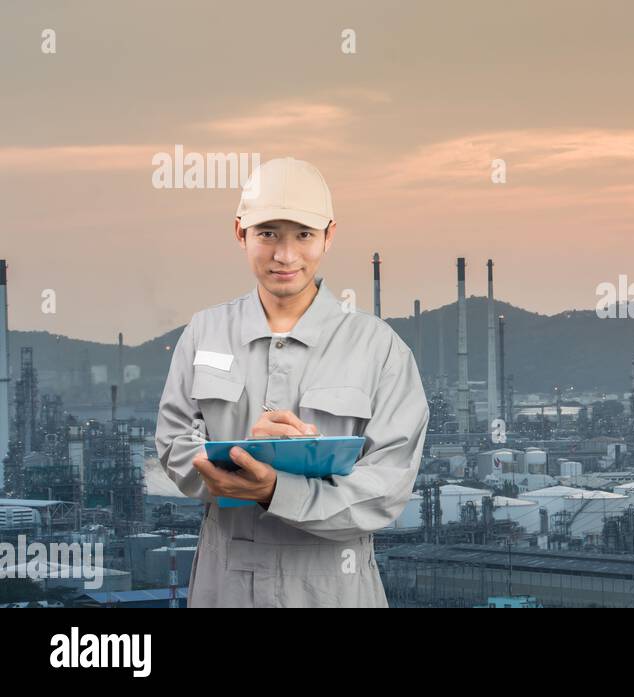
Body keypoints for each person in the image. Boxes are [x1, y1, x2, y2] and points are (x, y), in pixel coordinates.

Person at [155, 157, 429, 607]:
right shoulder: (204, 334)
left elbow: (387, 486)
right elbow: (173, 447)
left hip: (333, 589)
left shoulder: (379, 348)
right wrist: (244, 460)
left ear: (329, 236)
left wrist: (275, 489)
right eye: (267, 234)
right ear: (240, 232)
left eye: (303, 235)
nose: (285, 255)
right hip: (226, 588)